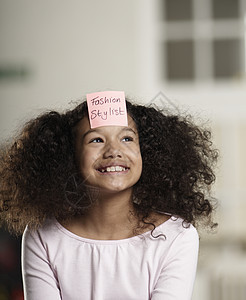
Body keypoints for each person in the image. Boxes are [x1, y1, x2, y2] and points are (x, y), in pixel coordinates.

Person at [0, 94, 218, 300]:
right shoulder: (43, 236)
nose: (114, 150)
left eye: (127, 138)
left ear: (147, 152)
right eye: (96, 140)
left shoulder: (177, 235)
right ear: (70, 157)